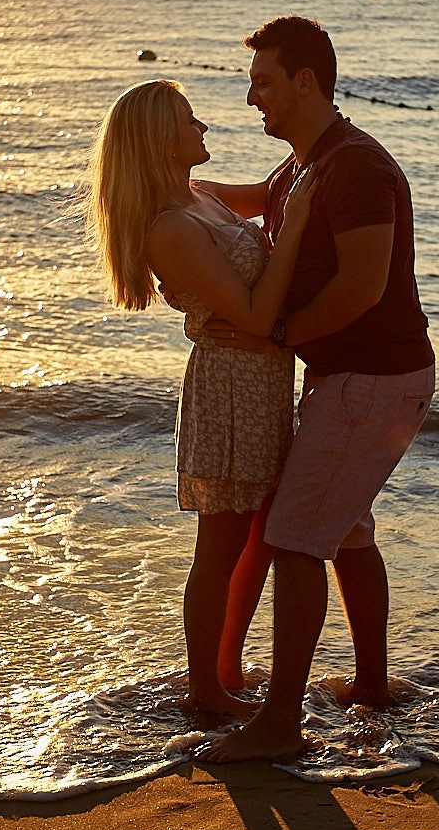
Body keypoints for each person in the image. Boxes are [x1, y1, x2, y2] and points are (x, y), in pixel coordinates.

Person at [194, 15, 435, 763]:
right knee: (345, 529)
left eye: (263, 81)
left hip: (373, 379)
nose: (251, 98)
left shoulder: (356, 166)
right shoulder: (302, 165)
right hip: (359, 379)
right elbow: (241, 199)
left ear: (306, 81)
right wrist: (164, 190)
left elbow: (362, 288)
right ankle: (371, 685)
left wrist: (277, 334)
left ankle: (280, 725)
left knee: (294, 537)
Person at [85, 79, 318, 722]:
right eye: (191, 121)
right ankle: (206, 690)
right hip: (229, 389)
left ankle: (222, 672)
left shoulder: (203, 197)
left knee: (253, 537)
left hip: (262, 381)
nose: (205, 128)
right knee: (221, 545)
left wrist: (315, 132)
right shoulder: (170, 228)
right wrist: (293, 230)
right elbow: (252, 312)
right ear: (164, 140)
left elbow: (281, 188)